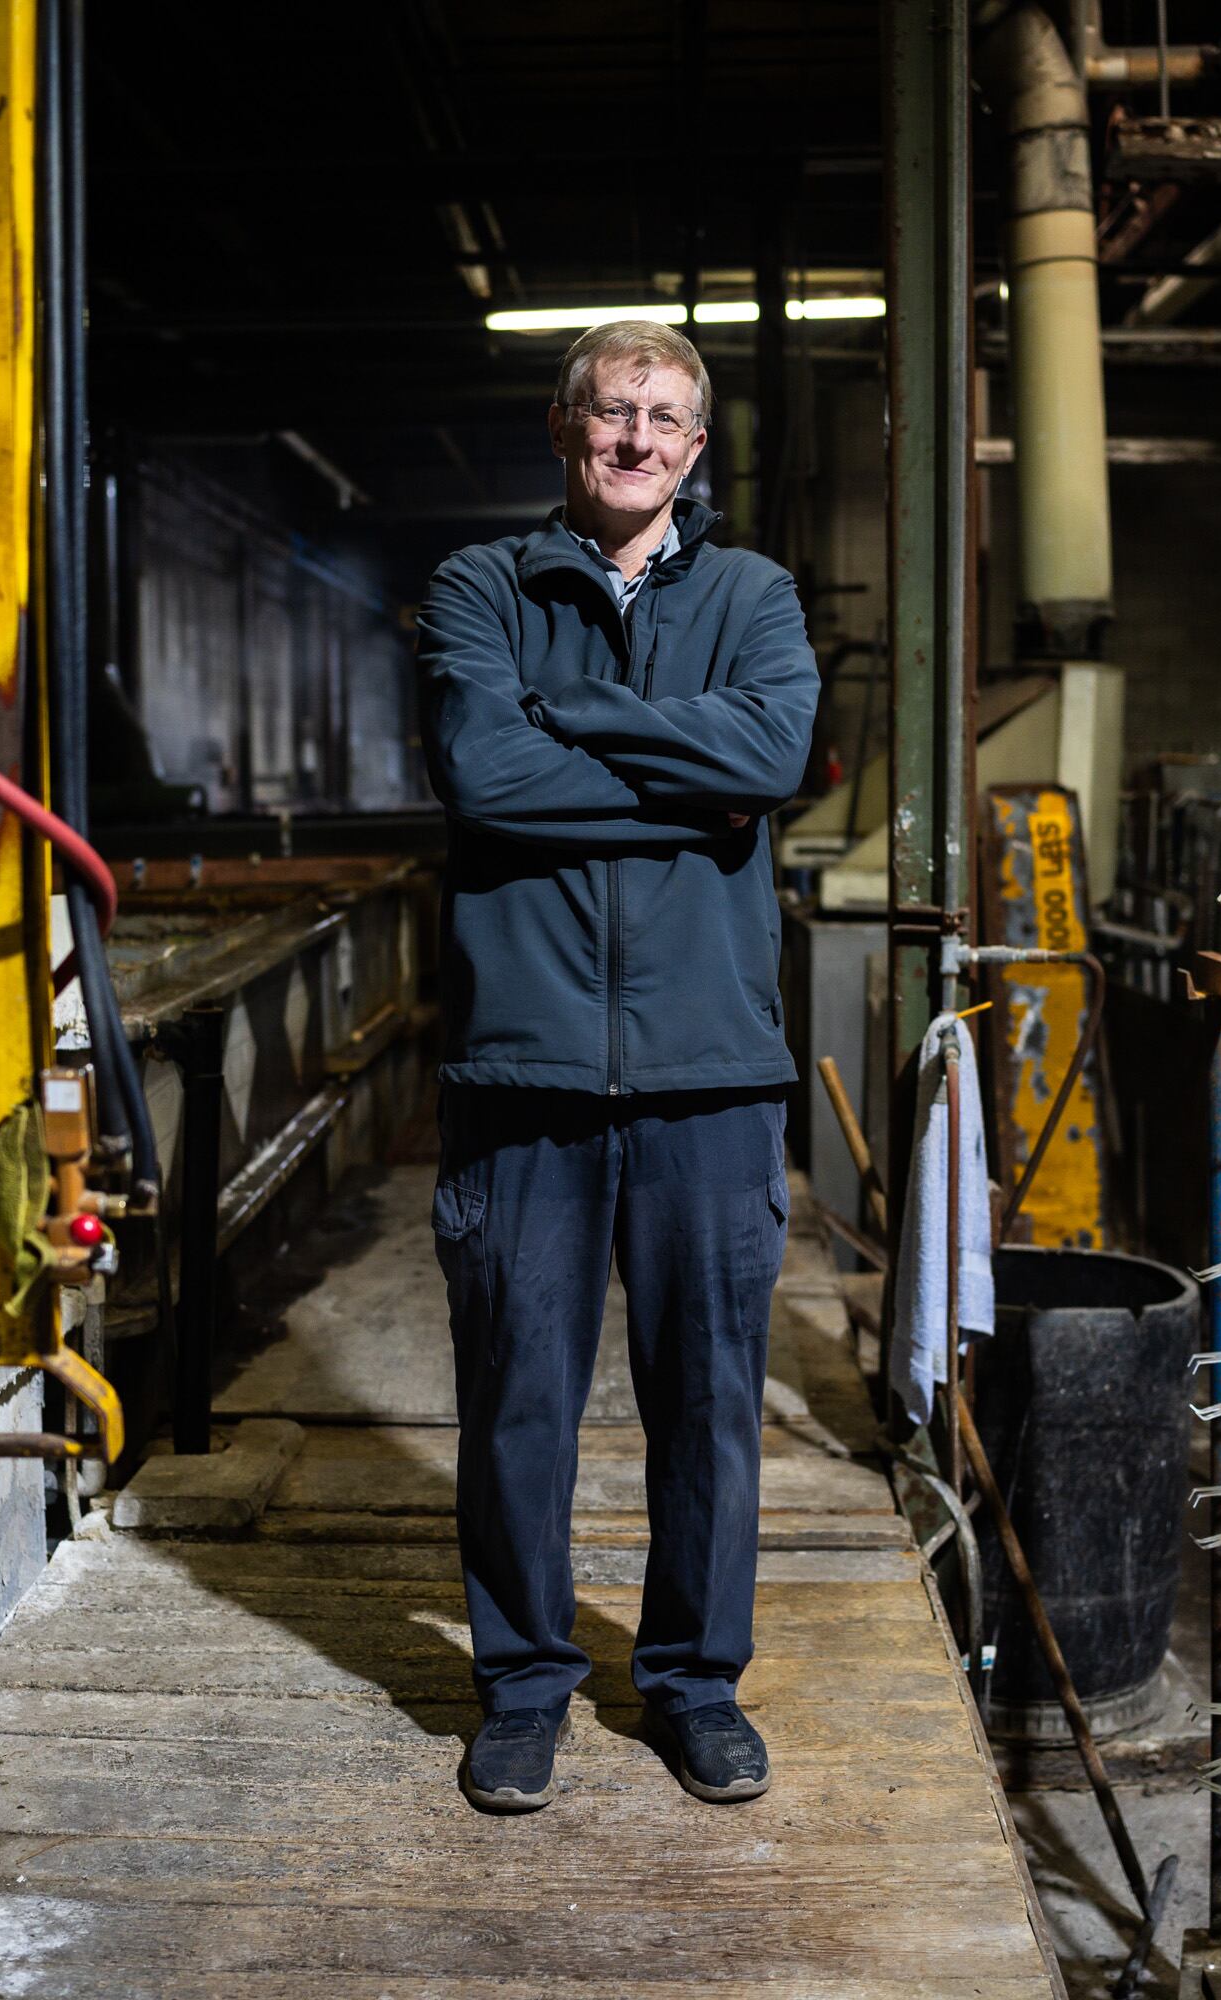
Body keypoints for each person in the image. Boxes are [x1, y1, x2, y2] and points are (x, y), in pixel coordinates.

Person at [414, 320, 819, 1814]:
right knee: (519, 1398)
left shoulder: (757, 597)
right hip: (523, 1078)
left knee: (707, 1402)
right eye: (612, 412)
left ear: (696, 449)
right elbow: (486, 775)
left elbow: (768, 763)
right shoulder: (483, 587)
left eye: (666, 417)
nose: (639, 438)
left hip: (715, 1077)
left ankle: (694, 1684)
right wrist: (682, 776)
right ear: (564, 427)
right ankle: (524, 1686)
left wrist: (571, 724)